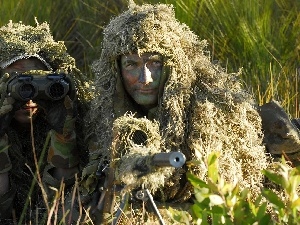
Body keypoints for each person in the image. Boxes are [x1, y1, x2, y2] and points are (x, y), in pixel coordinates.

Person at [80, 2, 269, 224]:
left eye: (155, 63)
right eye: (132, 64)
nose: (146, 78)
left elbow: (223, 206)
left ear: (173, 66)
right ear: (116, 69)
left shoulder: (210, 115)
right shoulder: (102, 114)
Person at [0, 21, 90, 223]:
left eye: (38, 83)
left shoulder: (77, 118)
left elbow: (62, 211)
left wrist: (64, 135)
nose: (28, 99)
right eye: (17, 83)